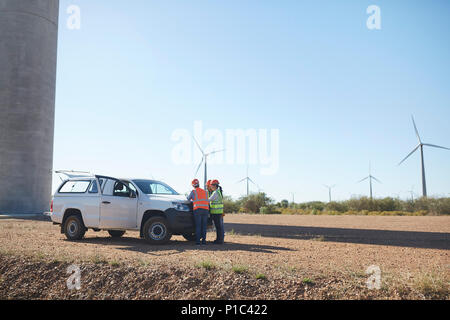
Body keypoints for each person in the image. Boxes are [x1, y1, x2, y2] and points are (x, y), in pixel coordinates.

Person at [187, 179, 210, 246]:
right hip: (205, 210)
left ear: (193, 185)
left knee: (198, 226)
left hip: (198, 210)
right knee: (204, 226)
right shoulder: (205, 192)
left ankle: (197, 242)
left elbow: (188, 199)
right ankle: (204, 242)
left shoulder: (193, 191)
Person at [209, 179, 225, 244]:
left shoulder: (215, 193)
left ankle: (219, 240)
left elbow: (209, 200)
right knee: (219, 227)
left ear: (214, 185)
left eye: (211, 185)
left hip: (216, 213)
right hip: (219, 212)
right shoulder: (218, 192)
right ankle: (220, 240)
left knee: (218, 227)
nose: (210, 187)